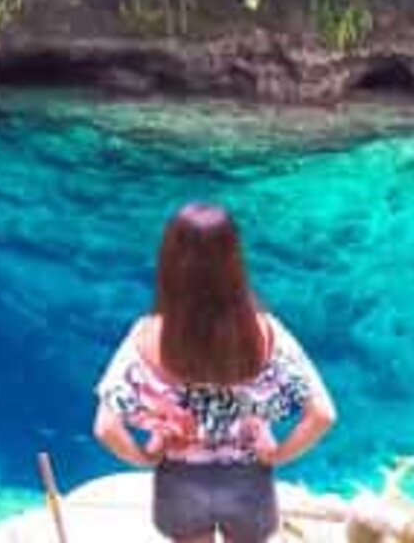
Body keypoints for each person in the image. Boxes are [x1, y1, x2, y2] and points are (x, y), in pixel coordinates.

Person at [93, 203, 336, 543]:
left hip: (180, 481)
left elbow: (106, 427)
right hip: (249, 480)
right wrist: (277, 455)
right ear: (234, 261)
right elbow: (322, 414)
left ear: (170, 263)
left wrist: (145, 457)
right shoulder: (267, 334)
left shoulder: (145, 336)